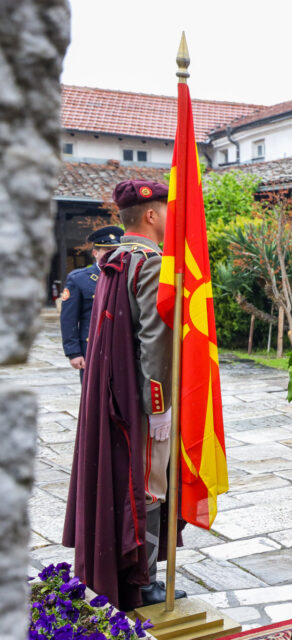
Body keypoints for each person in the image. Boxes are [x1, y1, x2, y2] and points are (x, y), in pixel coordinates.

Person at [63, 180, 186, 609]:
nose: (174, 219)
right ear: (151, 215)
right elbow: (155, 339)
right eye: (167, 210)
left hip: (112, 391)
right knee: (150, 484)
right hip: (139, 399)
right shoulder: (150, 263)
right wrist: (160, 406)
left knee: (129, 481)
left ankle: (129, 572)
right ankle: (144, 580)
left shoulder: (115, 259)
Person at [59, 226, 123, 382]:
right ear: (95, 253)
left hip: (121, 348)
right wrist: (73, 352)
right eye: (107, 251)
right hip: (92, 349)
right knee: (93, 396)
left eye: (116, 251)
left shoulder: (125, 275)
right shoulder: (79, 279)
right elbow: (69, 319)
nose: (112, 255)